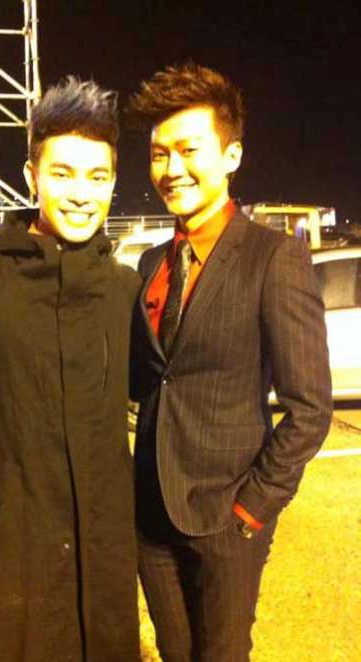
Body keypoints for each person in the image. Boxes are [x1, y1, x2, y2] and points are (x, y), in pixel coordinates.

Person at [0, 77, 141, 662]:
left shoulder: (123, 289)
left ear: (113, 182)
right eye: (62, 173)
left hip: (102, 557)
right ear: (31, 176)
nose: (80, 194)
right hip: (8, 554)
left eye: (97, 177)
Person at [128, 62, 332, 662]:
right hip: (151, 514)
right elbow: (149, 380)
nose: (172, 169)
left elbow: (310, 410)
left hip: (227, 517)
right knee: (174, 652)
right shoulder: (150, 264)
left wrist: (252, 510)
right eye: (159, 154)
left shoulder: (274, 259)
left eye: (189, 150)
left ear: (231, 154)